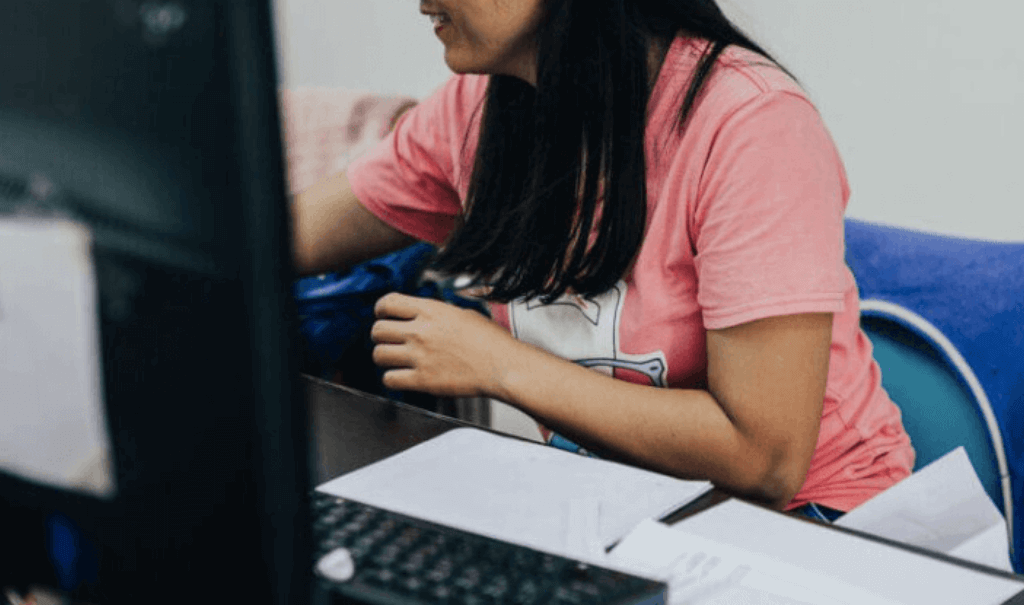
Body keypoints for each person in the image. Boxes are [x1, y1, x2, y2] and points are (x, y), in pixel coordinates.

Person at [291, 0, 915, 514]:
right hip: (629, 510)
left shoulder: (752, 123)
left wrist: (500, 366)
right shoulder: (480, 107)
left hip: (818, 526)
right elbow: (286, 234)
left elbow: (767, 460)